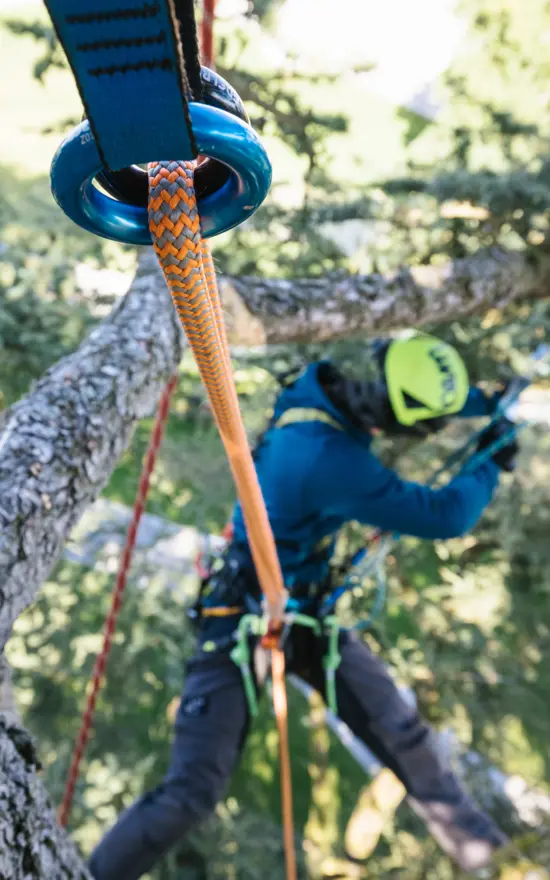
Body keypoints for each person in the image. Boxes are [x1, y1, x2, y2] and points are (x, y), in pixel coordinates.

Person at [89, 333, 517, 880]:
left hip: (303, 612)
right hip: (244, 618)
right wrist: (489, 463)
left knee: (403, 734)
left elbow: (417, 389)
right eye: (418, 425)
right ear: (392, 407)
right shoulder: (329, 461)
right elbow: (444, 515)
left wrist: (490, 403)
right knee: (194, 790)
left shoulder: (320, 391)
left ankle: (493, 860)